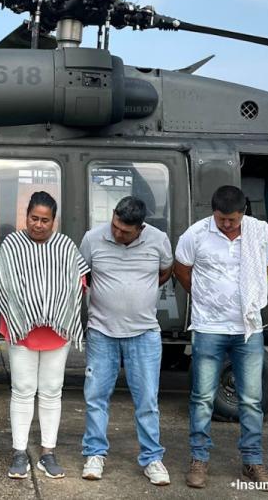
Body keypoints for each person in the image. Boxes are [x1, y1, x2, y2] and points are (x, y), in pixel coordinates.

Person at [173, 185, 268, 490]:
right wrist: (206, 298)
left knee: (251, 400)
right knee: (203, 398)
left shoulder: (258, 233)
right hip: (208, 327)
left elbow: (265, 270)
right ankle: (199, 459)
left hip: (249, 328)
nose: (227, 225)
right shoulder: (196, 234)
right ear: (213, 212)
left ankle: (252, 461)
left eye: (232, 220)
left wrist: (247, 299)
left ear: (243, 213)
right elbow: (182, 270)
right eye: (221, 219)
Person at [0, 191, 87, 480]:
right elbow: (2, 283)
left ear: (54, 221)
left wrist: (53, 305)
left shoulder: (65, 245)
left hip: (57, 330)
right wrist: (28, 306)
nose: (39, 225)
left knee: (52, 390)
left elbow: (77, 281)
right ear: (26, 216)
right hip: (22, 329)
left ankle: (47, 452)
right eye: (34, 218)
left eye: (45, 220)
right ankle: (19, 452)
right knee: (22, 389)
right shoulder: (13, 244)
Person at [79, 196, 174, 486]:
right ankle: (94, 454)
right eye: (116, 227)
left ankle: (152, 458)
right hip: (101, 331)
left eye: (126, 231)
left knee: (146, 400)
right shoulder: (92, 239)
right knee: (95, 397)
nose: (118, 233)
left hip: (144, 333)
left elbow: (165, 270)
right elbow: (83, 274)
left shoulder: (158, 240)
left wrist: (139, 292)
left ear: (141, 228)